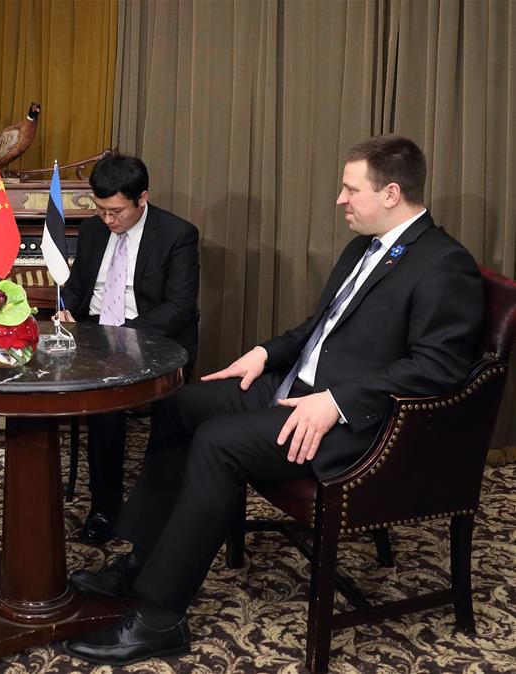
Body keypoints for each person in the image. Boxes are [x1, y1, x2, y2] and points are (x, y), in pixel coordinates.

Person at [63, 134, 484, 664]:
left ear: (391, 193)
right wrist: (265, 352)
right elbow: (320, 327)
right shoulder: (364, 245)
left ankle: (158, 616)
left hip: (352, 422)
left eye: (350, 189)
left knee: (217, 442)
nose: (340, 199)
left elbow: (439, 367)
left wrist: (337, 401)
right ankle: (142, 560)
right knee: (179, 405)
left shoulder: (444, 263)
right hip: (294, 387)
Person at [58, 154, 200, 544]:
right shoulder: (92, 231)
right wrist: (65, 308)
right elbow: (78, 286)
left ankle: (155, 506)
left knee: (169, 410)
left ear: (142, 198)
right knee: (103, 403)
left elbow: (179, 308)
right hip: (94, 334)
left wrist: (122, 337)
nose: (108, 220)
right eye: (100, 209)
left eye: (116, 211)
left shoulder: (177, 234)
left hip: (154, 337)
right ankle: (105, 508)